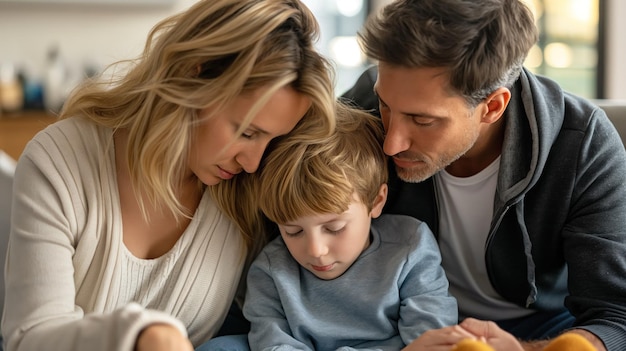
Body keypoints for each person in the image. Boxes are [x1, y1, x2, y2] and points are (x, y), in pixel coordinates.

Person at [1, 1, 337, 351]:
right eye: (247, 132)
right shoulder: (61, 160)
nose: (253, 162)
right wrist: (144, 335)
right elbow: (30, 338)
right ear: (195, 73)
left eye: (272, 139)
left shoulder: (251, 190)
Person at [340, 0, 626, 350]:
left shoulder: (583, 144)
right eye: (385, 105)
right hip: (398, 316)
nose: (391, 143)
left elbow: (616, 316)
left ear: (492, 106)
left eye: (423, 120)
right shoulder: (364, 103)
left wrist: (526, 349)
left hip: (544, 326)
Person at [199, 102, 458, 351]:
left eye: (334, 228)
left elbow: (432, 335)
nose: (316, 250)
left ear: (376, 201)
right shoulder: (271, 270)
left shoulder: (409, 245)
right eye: (293, 231)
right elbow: (272, 342)